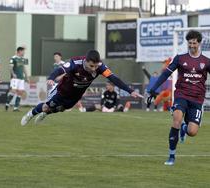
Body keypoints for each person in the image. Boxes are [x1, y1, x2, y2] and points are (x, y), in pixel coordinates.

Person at [21, 49, 143, 126]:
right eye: (91, 66)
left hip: (75, 95)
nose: (94, 69)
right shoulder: (75, 63)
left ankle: (44, 114)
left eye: (96, 66)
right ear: (86, 61)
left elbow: (113, 78)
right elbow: (59, 69)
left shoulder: (101, 67)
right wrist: (51, 78)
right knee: (47, 106)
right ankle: (30, 114)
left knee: (62, 109)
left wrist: (130, 91)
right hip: (62, 91)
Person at [147, 30, 210, 165]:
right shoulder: (180, 58)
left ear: (199, 43)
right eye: (190, 43)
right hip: (181, 95)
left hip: (197, 99)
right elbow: (165, 74)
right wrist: (153, 89)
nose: (192, 45)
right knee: (176, 119)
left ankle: (184, 129)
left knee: (192, 132)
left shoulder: (206, 61)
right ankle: (171, 156)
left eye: (194, 43)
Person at [5, 47, 29, 111]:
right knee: (13, 91)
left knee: (20, 92)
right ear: (19, 51)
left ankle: (16, 107)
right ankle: (7, 103)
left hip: (21, 78)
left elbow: (24, 68)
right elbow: (10, 67)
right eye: (23, 51)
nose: (24, 53)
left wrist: (27, 76)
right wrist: (13, 74)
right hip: (15, 78)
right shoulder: (13, 58)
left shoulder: (23, 59)